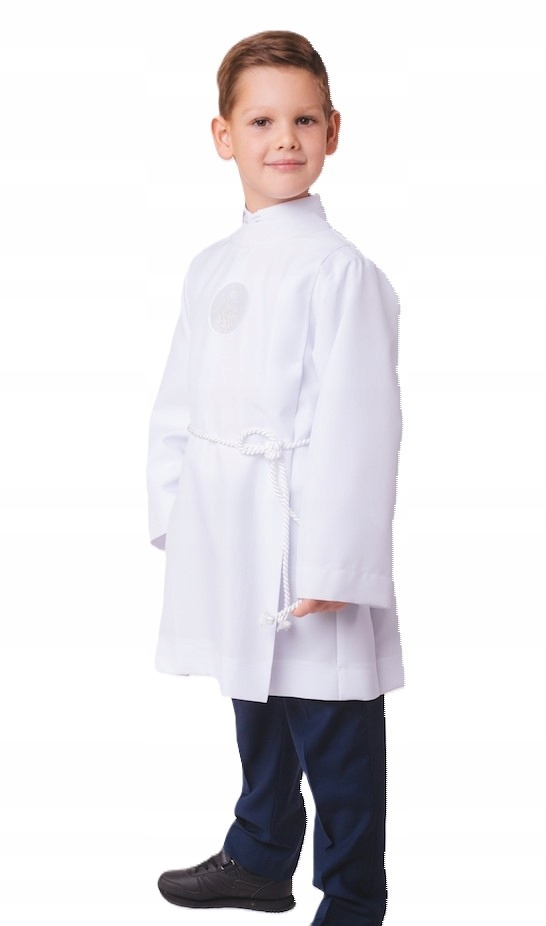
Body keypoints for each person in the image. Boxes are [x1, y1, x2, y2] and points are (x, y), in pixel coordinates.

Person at [146, 30, 403, 926]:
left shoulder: (340, 272)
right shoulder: (210, 267)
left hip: (306, 534)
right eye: (261, 121)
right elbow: (180, 396)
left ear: (333, 130)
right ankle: (259, 855)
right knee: (253, 695)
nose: (284, 139)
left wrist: (336, 563)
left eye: (303, 120)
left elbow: (363, 424)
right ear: (224, 136)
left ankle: (353, 897)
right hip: (232, 524)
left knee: (331, 718)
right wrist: (179, 508)